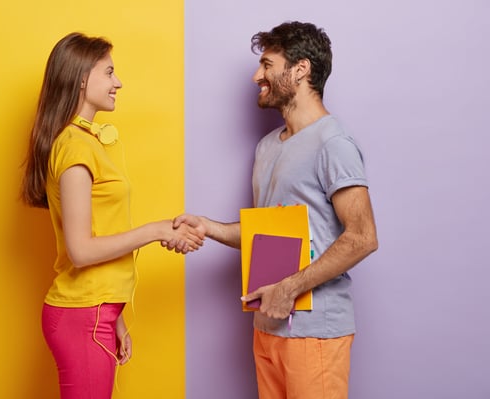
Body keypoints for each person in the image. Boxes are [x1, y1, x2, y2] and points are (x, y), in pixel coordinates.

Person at [167, 21, 378, 399]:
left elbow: (362, 238)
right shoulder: (267, 147)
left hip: (316, 332)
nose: (256, 75)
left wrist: (289, 288)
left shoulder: (334, 143)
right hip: (267, 327)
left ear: (300, 70)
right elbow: (268, 236)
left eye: (267, 64)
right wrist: (208, 226)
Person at [20, 32, 203, 399]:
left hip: (95, 313)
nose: (118, 82)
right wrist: (155, 230)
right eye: (109, 72)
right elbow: (82, 251)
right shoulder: (74, 147)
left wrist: (116, 318)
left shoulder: (86, 143)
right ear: (82, 78)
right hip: (82, 317)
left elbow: (102, 232)